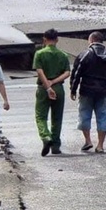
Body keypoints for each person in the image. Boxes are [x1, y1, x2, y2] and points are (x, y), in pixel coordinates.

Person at [70, 31, 106, 153]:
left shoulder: (84, 55)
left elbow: (76, 74)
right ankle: (100, 145)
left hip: (86, 91)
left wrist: (73, 89)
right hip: (103, 92)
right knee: (103, 117)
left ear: (91, 41)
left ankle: (88, 141)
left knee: (84, 116)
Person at [32, 29, 71, 157]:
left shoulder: (39, 54)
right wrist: (54, 81)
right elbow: (67, 73)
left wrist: (48, 86)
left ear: (44, 39)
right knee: (57, 118)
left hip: (43, 88)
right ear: (57, 39)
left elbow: (39, 71)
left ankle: (46, 136)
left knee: (40, 116)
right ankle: (55, 145)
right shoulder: (63, 55)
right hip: (59, 88)